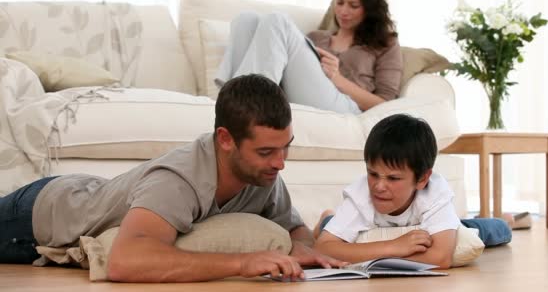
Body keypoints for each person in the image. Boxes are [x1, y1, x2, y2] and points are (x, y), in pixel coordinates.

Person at [0, 74, 345, 282]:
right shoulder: (179, 179)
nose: (280, 163)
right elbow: (125, 262)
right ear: (225, 139)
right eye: (266, 152)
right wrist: (243, 262)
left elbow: (295, 228)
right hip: (37, 216)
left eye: (285, 148)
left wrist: (301, 247)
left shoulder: (264, 177)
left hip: (88, 192)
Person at [312, 114, 512, 269]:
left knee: (496, 229)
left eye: (393, 178)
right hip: (372, 229)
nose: (378, 186)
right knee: (329, 227)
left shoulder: (435, 192)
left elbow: (441, 258)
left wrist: (373, 254)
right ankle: (328, 218)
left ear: (422, 179)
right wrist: (393, 247)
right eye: (372, 174)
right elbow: (322, 248)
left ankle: (508, 220)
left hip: (433, 224)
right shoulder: (361, 194)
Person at [215, 0, 403, 114]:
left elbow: (384, 104)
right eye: (339, 3)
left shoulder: (385, 44)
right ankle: (231, 98)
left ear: (368, 9)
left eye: (353, 5)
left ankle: (249, 102)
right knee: (246, 19)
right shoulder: (316, 37)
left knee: (277, 20)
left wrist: (337, 78)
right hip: (297, 96)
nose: (344, 12)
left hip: (347, 107)